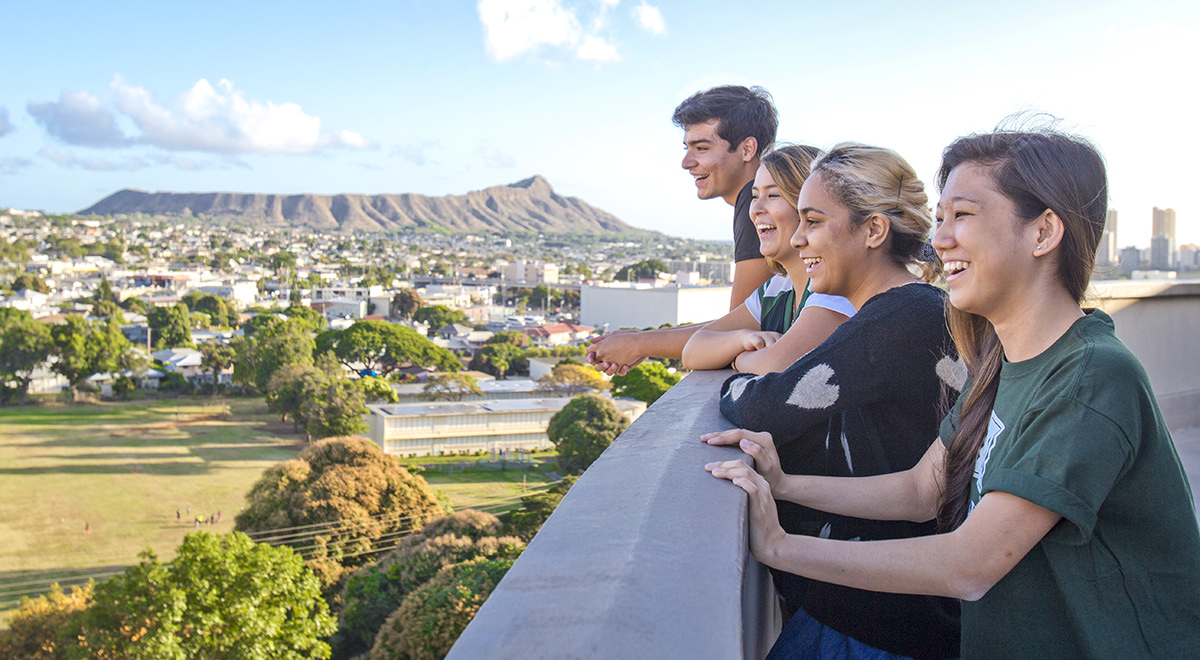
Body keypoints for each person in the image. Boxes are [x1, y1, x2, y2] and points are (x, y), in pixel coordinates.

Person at [706, 128, 1200, 659]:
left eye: (962, 216)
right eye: (940, 219)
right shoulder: (1005, 360)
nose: (939, 240)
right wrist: (786, 484)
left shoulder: (1090, 377)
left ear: (1043, 233)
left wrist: (780, 547)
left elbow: (968, 564)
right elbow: (924, 488)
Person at [704, 143, 962, 659]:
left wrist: (735, 372)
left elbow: (763, 407)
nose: (799, 239)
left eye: (814, 221)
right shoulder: (907, 311)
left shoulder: (901, 318)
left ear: (873, 231)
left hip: (875, 624)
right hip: (875, 612)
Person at [587, 85, 778, 375]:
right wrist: (638, 341)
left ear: (747, 149)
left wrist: (640, 344)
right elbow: (742, 321)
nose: (687, 162)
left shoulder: (754, 204)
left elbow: (739, 330)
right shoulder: (760, 202)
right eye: (687, 148)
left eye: (702, 148)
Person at [681, 144, 855, 374]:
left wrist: (738, 359)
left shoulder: (834, 291)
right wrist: (743, 339)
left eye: (773, 195)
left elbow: (775, 364)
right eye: (755, 196)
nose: (755, 209)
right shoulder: (778, 288)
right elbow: (693, 351)